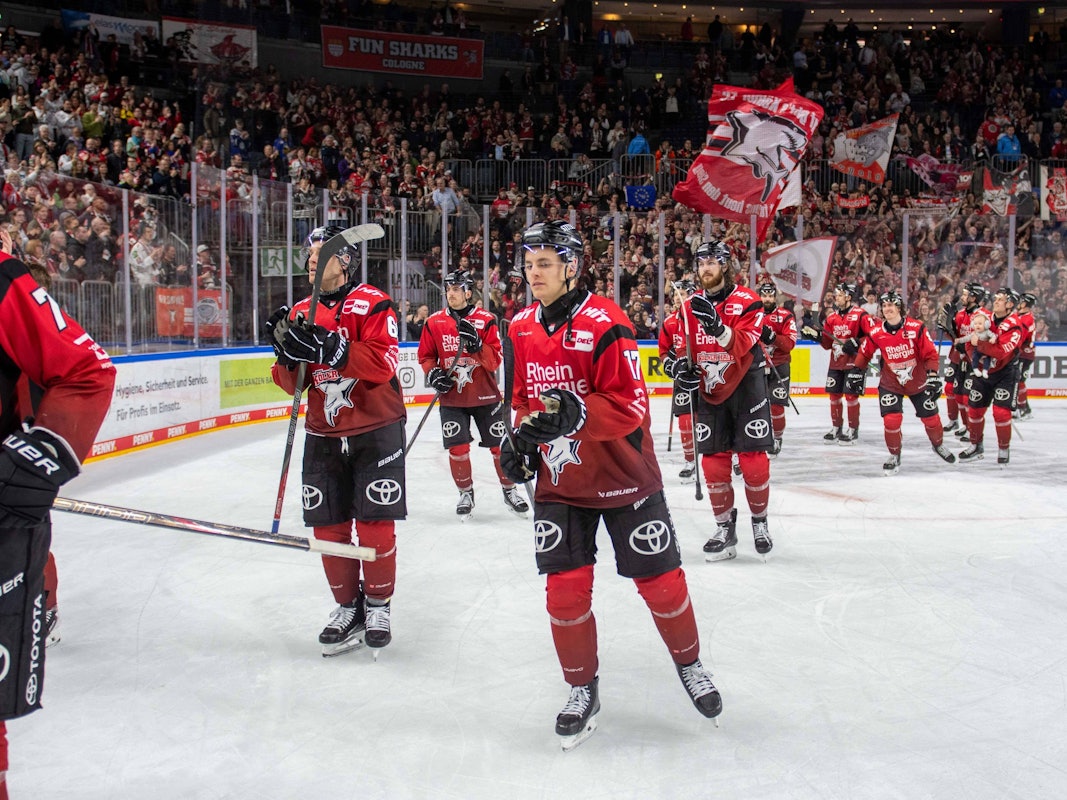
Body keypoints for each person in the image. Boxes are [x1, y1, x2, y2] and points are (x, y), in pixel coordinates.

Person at [499, 220, 721, 750]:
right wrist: (520, 443)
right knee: (564, 594)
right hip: (561, 480)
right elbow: (525, 402)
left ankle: (690, 665)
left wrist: (577, 414)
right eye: (529, 265)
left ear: (572, 266)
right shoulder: (521, 326)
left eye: (545, 263)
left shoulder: (606, 321)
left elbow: (631, 407)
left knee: (663, 585)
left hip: (625, 477)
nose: (534, 273)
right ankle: (582, 688)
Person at [0, 227, 116, 797]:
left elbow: (84, 371)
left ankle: (40, 605)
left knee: (33, 548)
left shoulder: (5, 284)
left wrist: (35, 457)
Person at [267, 225, 406, 658]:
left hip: (375, 428)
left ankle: (379, 605)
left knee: (373, 525)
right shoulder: (299, 312)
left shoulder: (372, 302)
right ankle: (348, 606)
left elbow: (384, 363)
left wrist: (335, 349)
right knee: (328, 526)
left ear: (345, 262)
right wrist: (286, 355)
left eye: (322, 253)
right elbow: (290, 385)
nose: (312, 258)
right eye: (309, 252)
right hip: (322, 432)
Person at [678, 240, 774, 562]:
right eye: (701, 262)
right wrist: (679, 368)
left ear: (725, 265)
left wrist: (718, 328)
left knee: (754, 463)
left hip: (747, 385)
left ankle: (759, 522)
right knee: (713, 464)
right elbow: (682, 348)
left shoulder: (749, 301)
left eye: (711, 262)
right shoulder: (689, 305)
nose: (705, 268)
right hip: (711, 387)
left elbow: (745, 342)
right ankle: (724, 528)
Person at [417, 269, 529, 519]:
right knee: (458, 448)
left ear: (468, 292)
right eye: (448, 289)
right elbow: (425, 356)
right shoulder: (434, 322)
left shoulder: (486, 319)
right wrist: (433, 373)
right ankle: (465, 493)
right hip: (452, 399)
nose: (451, 294)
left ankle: (509, 490)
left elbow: (495, 361)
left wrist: (478, 346)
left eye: (456, 289)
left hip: (485, 398)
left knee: (501, 447)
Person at [850, 291, 956, 475]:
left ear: (899, 307)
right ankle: (894, 454)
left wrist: (933, 377)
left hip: (919, 382)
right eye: (884, 306)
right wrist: (857, 371)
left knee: (931, 419)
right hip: (890, 383)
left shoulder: (916, 328)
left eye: (891, 305)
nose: (887, 309)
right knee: (891, 421)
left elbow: (930, 354)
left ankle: (938, 445)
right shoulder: (876, 332)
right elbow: (865, 352)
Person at [959, 287, 1025, 466]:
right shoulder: (984, 317)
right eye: (996, 298)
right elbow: (969, 339)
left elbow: (1000, 352)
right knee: (974, 410)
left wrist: (978, 344)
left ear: (1010, 304)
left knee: (1001, 413)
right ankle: (976, 445)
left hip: (1005, 373)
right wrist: (974, 356)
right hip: (983, 371)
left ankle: (1003, 448)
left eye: (1001, 299)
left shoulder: (1015, 325)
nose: (996, 301)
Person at [802, 282, 873, 444]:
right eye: (836, 295)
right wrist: (816, 337)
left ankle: (853, 429)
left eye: (840, 295)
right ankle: (836, 427)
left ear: (848, 296)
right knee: (834, 396)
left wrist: (856, 342)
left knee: (851, 396)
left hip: (855, 363)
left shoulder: (861, 315)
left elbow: (872, 336)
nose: (836, 298)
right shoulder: (832, 318)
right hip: (836, 363)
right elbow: (827, 344)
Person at [658, 279, 698, 482]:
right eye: (675, 294)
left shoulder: (701, 317)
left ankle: (728, 456)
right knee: (685, 421)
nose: (676, 298)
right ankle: (690, 460)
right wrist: (670, 364)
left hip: (706, 373)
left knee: (715, 418)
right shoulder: (670, 322)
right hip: (683, 375)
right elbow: (663, 352)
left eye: (681, 293)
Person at [938, 282, 990, 440]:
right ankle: (957, 422)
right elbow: (955, 336)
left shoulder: (983, 316)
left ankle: (970, 427)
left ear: (974, 297)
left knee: (967, 396)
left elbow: (986, 338)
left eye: (966, 294)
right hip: (958, 358)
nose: (962, 296)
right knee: (953, 390)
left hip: (974, 361)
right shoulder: (960, 314)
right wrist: (948, 327)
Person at [757, 282, 798, 456]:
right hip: (757, 366)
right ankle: (759, 437)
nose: (767, 299)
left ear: (775, 297)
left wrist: (773, 338)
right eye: (764, 295)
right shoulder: (752, 315)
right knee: (756, 407)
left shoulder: (785, 316)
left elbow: (790, 344)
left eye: (770, 295)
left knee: (776, 407)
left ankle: (777, 437)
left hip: (779, 366)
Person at [1014, 292, 1037, 419]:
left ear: (1026, 304)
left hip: (1025, 354)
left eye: (1021, 301)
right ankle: (1024, 408)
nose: (1019, 303)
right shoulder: (1020, 316)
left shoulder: (1026, 318)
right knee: (1017, 380)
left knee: (1019, 380)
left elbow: (1020, 338)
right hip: (1021, 353)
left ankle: (1023, 408)